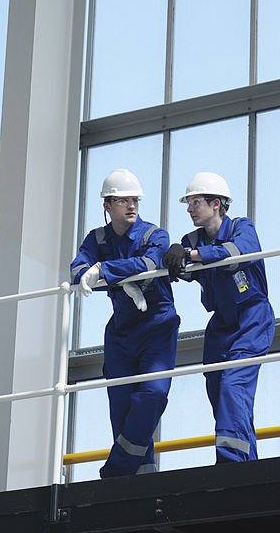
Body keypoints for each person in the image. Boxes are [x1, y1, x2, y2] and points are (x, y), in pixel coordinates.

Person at [69, 168, 178, 477]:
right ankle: (144, 474)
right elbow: (77, 270)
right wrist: (118, 279)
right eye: (123, 200)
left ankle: (118, 471)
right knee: (122, 405)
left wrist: (106, 271)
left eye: (135, 200)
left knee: (153, 394)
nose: (131, 206)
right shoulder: (98, 238)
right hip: (121, 332)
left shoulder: (153, 234)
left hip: (157, 325)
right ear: (108, 206)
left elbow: (150, 263)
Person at [163, 172, 275, 463]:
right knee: (218, 389)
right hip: (220, 325)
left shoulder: (241, 227)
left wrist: (192, 254)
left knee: (232, 386)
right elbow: (185, 270)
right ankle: (247, 462)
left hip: (252, 319)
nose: (189, 209)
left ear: (216, 204)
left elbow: (239, 252)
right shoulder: (191, 240)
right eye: (188, 203)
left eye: (195, 202)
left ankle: (231, 463)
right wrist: (175, 258)